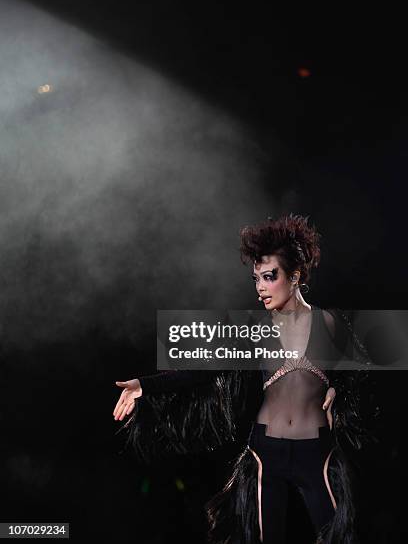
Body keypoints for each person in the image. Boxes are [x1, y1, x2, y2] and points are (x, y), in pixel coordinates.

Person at [113, 214, 376, 543]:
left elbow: (361, 373)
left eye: (269, 276)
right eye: (256, 279)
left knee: (341, 536)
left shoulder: (329, 324)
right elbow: (202, 370)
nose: (261, 287)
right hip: (266, 455)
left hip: (317, 455)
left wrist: (340, 391)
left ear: (295, 276)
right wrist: (144, 385)